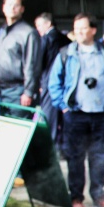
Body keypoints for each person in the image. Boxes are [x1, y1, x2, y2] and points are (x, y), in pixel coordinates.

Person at [48, 13, 104, 207]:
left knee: (99, 156)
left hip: (101, 113)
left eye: (84, 28)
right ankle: (76, 197)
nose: (80, 32)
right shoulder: (66, 53)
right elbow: (53, 83)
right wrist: (63, 106)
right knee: (75, 157)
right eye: (77, 29)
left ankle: (99, 194)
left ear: (93, 30)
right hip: (76, 113)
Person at [0, 0, 41, 114]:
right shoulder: (2, 31)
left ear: (22, 9)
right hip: (2, 89)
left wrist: (28, 92)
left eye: (16, 5)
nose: (12, 8)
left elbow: (32, 64)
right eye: (9, 4)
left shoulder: (28, 33)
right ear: (3, 8)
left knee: (18, 129)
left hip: (19, 90)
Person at [34, 12, 70, 144]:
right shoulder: (65, 39)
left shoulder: (45, 40)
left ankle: (51, 147)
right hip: (66, 82)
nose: (37, 29)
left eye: (39, 25)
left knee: (49, 118)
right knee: (65, 115)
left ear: (48, 23)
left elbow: (38, 63)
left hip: (49, 82)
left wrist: (37, 83)